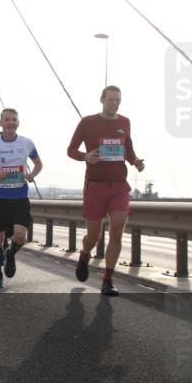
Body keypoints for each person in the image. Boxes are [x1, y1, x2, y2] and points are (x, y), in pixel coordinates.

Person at [67, 86, 145, 296]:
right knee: (94, 236)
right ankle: (85, 255)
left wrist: (135, 161)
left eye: (118, 100)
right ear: (102, 100)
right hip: (95, 185)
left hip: (119, 186)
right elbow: (71, 150)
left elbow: (128, 149)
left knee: (117, 229)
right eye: (111, 100)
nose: (115, 103)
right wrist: (85, 157)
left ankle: (107, 280)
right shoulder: (88, 122)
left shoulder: (124, 122)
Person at [0, 108, 43, 289]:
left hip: (19, 196)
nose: (10, 123)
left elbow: (38, 164)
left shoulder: (27, 143)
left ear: (18, 123)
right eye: (7, 120)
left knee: (20, 235)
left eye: (14, 120)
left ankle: (10, 254)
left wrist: (32, 174)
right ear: (0, 123)